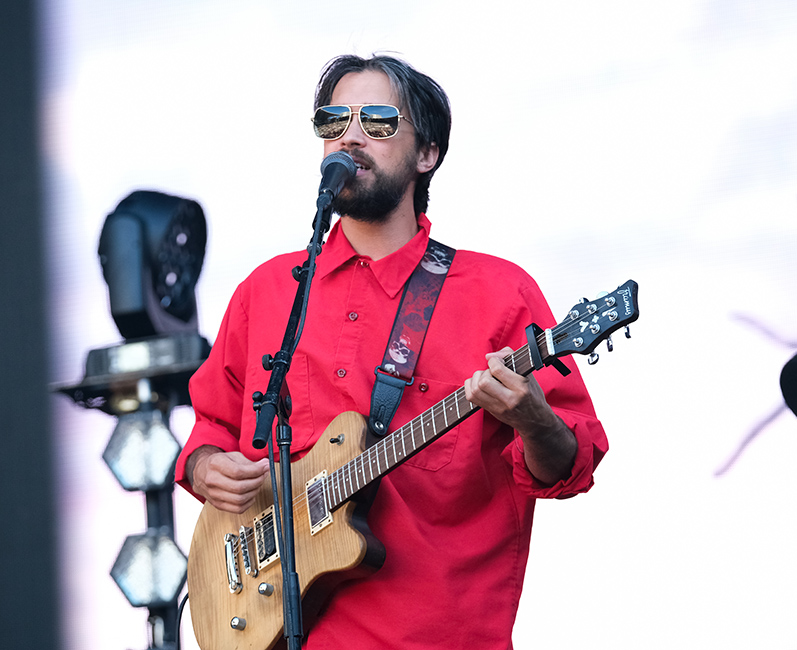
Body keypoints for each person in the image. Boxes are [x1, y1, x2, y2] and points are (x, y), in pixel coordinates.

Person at [174, 53, 608, 649]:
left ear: (426, 154)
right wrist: (203, 466)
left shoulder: (499, 295)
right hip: (273, 625)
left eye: (377, 121)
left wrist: (532, 418)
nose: (350, 135)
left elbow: (572, 464)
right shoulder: (267, 292)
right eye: (334, 120)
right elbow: (212, 424)